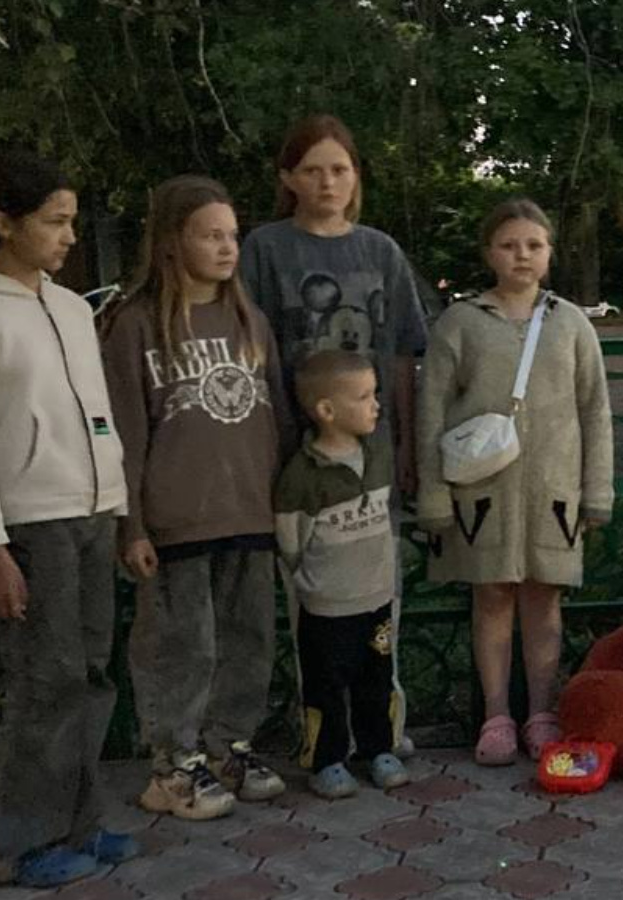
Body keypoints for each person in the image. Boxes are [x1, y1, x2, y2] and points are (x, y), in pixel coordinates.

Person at [0, 149, 136, 886]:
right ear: (2, 223)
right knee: (43, 685)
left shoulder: (72, 308)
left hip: (91, 515)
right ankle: (15, 844)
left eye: (72, 220)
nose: (69, 236)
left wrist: (117, 507)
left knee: (90, 677)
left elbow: (95, 414)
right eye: (54, 222)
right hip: (30, 527)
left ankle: (78, 822)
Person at [100, 176, 291, 820]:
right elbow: (125, 433)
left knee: (247, 639)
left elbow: (276, 418)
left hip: (250, 510)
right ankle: (172, 764)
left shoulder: (250, 319)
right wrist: (131, 524)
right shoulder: (135, 325)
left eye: (232, 235)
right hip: (175, 520)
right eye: (210, 235)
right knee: (182, 646)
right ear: (171, 241)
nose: (227, 247)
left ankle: (227, 746)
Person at [240, 114, 428, 756]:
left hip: (371, 456)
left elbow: (401, 354)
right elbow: (251, 351)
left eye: (340, 169)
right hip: (300, 457)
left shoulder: (380, 252)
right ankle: (324, 731)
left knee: (379, 595)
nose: (327, 182)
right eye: (313, 170)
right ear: (288, 178)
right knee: (311, 597)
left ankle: (382, 723)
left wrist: (405, 445)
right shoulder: (265, 249)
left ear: (356, 177)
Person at [416, 198, 614, 766]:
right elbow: (431, 410)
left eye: (534, 245)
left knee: (544, 600)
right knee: (491, 597)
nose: (521, 255)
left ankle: (542, 714)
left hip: (554, 491)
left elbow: (595, 410)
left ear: (550, 253)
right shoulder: (460, 323)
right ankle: (496, 715)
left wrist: (597, 491)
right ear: (489, 253)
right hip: (483, 496)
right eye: (508, 245)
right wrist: (433, 496)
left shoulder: (571, 324)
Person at [274, 349, 412, 798]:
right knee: (326, 686)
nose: (376, 405)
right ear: (327, 411)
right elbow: (291, 541)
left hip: (376, 598)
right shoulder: (302, 475)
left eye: (375, 394)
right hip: (327, 606)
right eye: (364, 397)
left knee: (376, 678)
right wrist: (313, 583)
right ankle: (327, 759)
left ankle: (379, 749)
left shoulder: (377, 457)